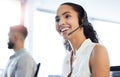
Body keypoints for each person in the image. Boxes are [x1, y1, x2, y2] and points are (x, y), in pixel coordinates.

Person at [55, 2, 110, 77]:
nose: (60, 23)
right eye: (57, 19)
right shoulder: (67, 59)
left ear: (82, 20)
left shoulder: (97, 51)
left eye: (67, 16)